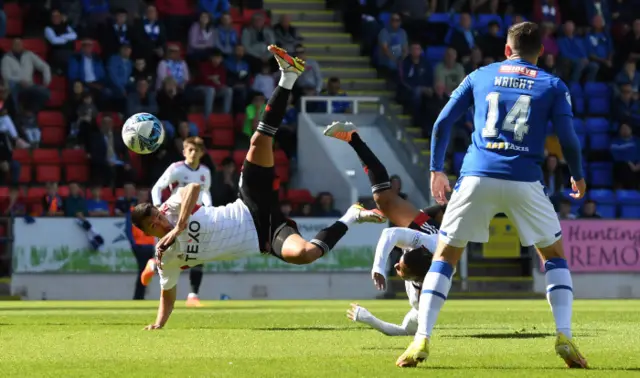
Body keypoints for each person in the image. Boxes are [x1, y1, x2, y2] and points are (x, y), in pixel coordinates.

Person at [133, 46, 386, 329]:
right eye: (154, 223)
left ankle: (288, 77)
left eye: (156, 214)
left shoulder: (171, 209)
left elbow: (192, 187)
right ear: (147, 233)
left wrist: (178, 226)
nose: (159, 220)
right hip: (266, 234)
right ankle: (351, 216)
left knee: (259, 141)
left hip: (249, 203)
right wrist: (159, 323)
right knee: (306, 255)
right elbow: (167, 292)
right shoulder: (164, 255)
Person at [394, 22, 588, 369]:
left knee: (445, 256)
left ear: (506, 50)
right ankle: (564, 333)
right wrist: (577, 174)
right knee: (554, 255)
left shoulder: (480, 75)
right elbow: (569, 139)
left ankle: (421, 337)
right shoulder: (553, 85)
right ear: (540, 52)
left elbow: (441, 123)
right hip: (524, 179)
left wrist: (437, 169)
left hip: (477, 177)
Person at [148, 136, 212, 307]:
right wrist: (158, 207)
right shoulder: (176, 169)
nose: (193, 153)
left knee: (198, 252)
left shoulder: (205, 172)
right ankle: (154, 264)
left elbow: (205, 192)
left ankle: (193, 295)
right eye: (190, 150)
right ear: (184, 152)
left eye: (196, 150)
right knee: (171, 254)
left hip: (196, 215)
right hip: (175, 213)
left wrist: (209, 207)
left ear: (202, 153)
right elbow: (157, 187)